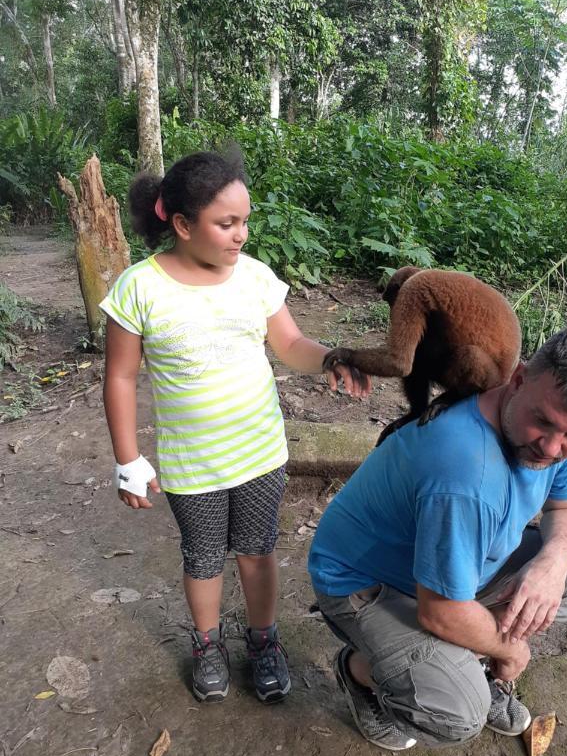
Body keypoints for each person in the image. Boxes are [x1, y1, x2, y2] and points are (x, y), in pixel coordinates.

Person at [100, 147, 370, 706]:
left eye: (244, 221)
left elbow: (291, 343)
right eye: (226, 223)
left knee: (256, 549)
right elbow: (121, 378)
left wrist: (331, 357)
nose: (241, 234)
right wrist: (128, 459)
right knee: (201, 557)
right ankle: (207, 645)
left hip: (259, 454)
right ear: (181, 224)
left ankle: (263, 642)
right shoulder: (138, 287)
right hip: (192, 465)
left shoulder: (255, 279)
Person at [308, 322, 567, 750]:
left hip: (449, 571)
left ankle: (456, 657)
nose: (552, 449)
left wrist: (551, 565)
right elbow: (440, 611)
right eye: (542, 423)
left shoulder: (557, 429)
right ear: (517, 380)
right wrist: (509, 652)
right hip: (363, 583)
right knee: (459, 710)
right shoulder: (465, 474)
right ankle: (360, 671)